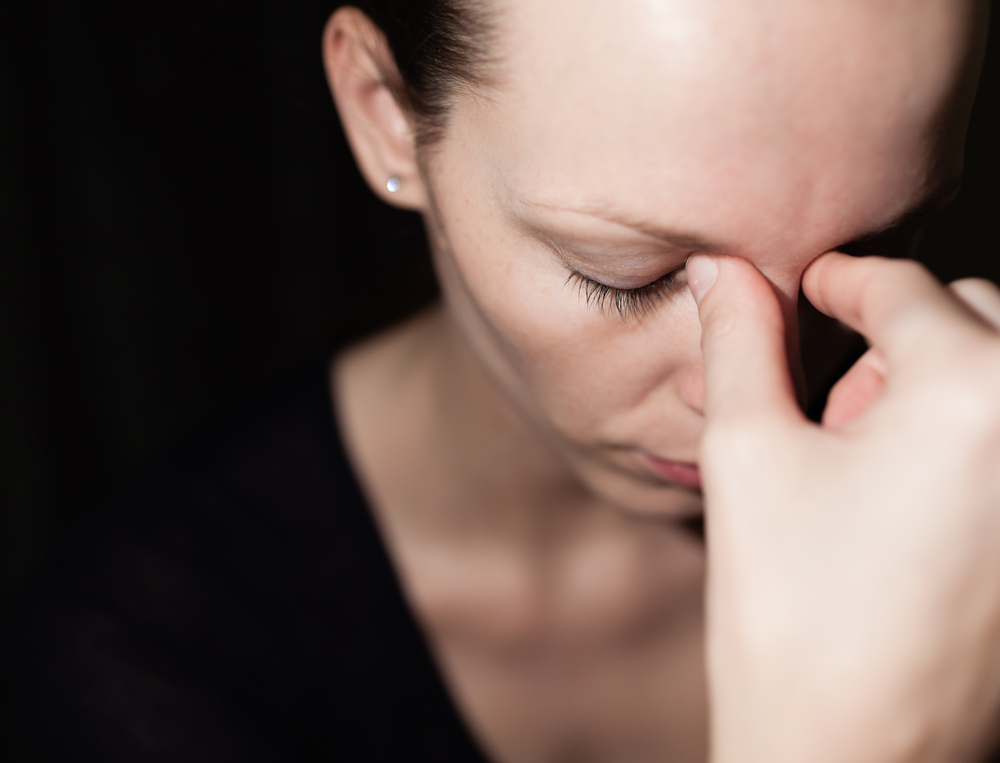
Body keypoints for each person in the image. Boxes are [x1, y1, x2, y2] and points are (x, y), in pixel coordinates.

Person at [6, 0, 1000, 761]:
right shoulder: (143, 667)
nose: (762, 386)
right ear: (388, 116)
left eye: (876, 249)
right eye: (629, 274)